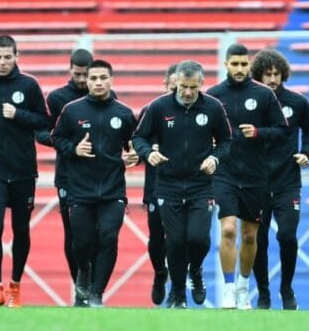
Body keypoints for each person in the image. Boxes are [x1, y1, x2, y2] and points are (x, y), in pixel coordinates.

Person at [133, 60, 232, 308]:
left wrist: (215, 158)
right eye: (183, 87)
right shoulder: (158, 107)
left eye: (193, 87)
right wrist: (148, 153)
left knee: (199, 239)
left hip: (201, 185)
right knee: (175, 241)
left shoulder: (213, 107)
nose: (188, 92)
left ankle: (195, 270)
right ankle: (178, 295)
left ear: (201, 83)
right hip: (168, 185)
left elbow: (226, 141)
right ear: (175, 82)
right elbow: (139, 136)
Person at [0, 34, 49, 307]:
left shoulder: (29, 85)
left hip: (23, 168)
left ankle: (15, 285)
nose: (3, 62)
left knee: (20, 228)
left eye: (8, 57)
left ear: (17, 57)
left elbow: (43, 121)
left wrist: (18, 114)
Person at [52, 60, 137, 306]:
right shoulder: (72, 110)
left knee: (109, 237)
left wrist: (136, 154)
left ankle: (97, 293)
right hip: (80, 189)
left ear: (111, 80)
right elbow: (56, 137)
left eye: (103, 78)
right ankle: (84, 270)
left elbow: (134, 142)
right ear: (87, 81)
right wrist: (74, 149)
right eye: (93, 79)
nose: (98, 83)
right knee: (81, 242)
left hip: (113, 189)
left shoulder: (123, 113)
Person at [208, 43, 286, 310]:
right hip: (225, 173)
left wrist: (259, 132)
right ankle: (229, 288)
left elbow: (282, 130)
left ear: (249, 65)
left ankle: (243, 286)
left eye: (243, 64)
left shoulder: (263, 94)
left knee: (250, 235)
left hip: (256, 175)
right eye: (235, 64)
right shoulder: (214, 96)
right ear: (226, 65)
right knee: (228, 229)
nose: (239, 69)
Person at [250, 47, 309, 310]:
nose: (273, 79)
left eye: (277, 74)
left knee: (287, 236)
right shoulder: (252, 102)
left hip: (287, 182)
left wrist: (306, 152)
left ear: (283, 75)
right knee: (259, 240)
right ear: (259, 75)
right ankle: (263, 293)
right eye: (267, 74)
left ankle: (287, 289)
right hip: (256, 182)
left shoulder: (297, 102)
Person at [40, 48, 94, 305]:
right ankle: (81, 289)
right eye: (77, 74)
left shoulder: (106, 95)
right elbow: (42, 133)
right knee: (74, 235)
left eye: (86, 75)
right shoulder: (57, 98)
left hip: (100, 176)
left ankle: (94, 288)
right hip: (68, 177)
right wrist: (71, 147)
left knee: (100, 234)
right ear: (70, 70)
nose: (82, 80)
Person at [142, 64, 178, 306]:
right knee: (156, 236)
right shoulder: (152, 110)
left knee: (180, 238)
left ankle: (177, 286)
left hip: (186, 184)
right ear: (165, 84)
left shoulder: (199, 111)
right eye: (173, 87)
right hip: (156, 183)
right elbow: (138, 140)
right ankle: (159, 272)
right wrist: (140, 154)